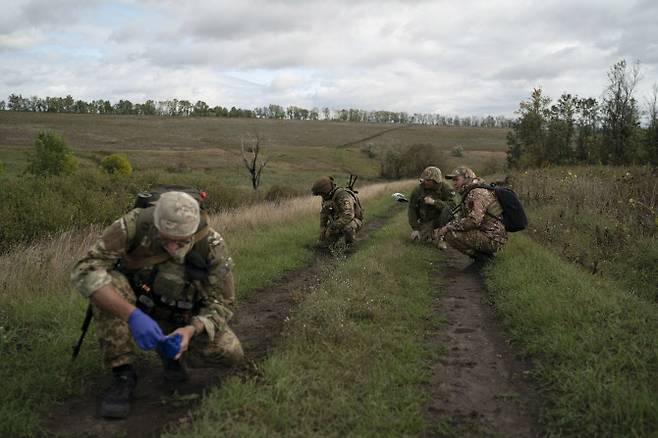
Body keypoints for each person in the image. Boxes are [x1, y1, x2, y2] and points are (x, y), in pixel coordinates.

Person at [71, 191, 243, 419]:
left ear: (193, 232)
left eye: (181, 242)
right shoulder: (133, 226)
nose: (173, 248)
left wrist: (191, 330)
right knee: (106, 283)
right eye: (166, 238)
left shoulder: (211, 245)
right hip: (137, 305)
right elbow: (85, 271)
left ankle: (173, 356)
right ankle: (123, 373)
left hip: (182, 315)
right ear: (156, 223)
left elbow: (222, 303)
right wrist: (132, 315)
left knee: (231, 353)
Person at [435, 167, 507, 264]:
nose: (454, 183)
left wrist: (448, 227)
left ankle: (484, 260)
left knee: (450, 234)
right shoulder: (472, 191)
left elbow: (474, 221)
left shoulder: (476, 193)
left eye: (456, 179)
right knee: (453, 227)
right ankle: (484, 258)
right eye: (453, 180)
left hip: (493, 238)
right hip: (490, 234)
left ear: (467, 178)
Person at [407, 166, 458, 247]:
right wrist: (415, 229)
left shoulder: (446, 188)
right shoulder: (418, 189)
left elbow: (452, 206)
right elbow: (412, 209)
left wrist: (434, 202)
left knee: (449, 212)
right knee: (419, 240)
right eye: (424, 179)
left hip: (441, 218)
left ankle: (443, 238)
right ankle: (430, 233)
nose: (424, 182)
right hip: (427, 219)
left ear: (436, 180)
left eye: (428, 180)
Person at [311, 176, 363, 246]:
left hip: (353, 221)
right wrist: (323, 227)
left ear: (326, 190)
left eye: (321, 194)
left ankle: (350, 245)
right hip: (338, 221)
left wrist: (332, 227)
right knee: (324, 243)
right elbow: (324, 213)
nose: (321, 196)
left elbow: (348, 216)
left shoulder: (342, 196)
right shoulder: (327, 197)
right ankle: (331, 243)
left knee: (347, 228)